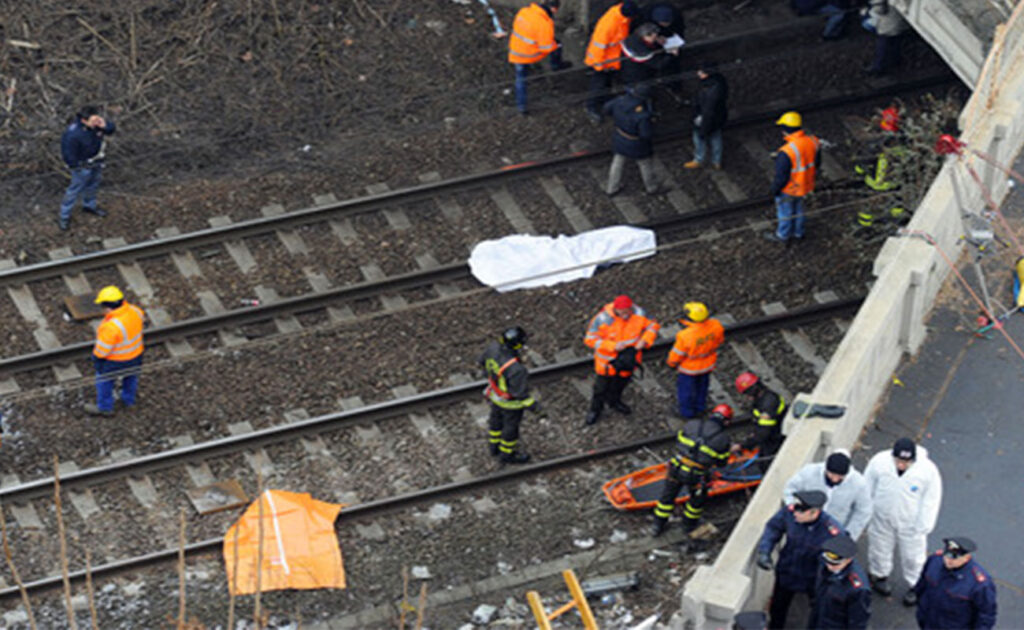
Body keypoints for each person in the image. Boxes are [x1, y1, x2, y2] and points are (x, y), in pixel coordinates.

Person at [864, 437, 943, 606]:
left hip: (911, 524)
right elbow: (868, 486)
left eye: (906, 462)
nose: (901, 465)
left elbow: (931, 499)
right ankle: (879, 574)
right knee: (879, 548)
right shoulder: (879, 462)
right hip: (881, 517)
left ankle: (916, 584)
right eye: (898, 460)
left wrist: (924, 525)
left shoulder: (927, 471)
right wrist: (867, 511)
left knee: (913, 557)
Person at [756, 490, 844, 629]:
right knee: (778, 609)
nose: (795, 513)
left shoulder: (831, 532)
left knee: (819, 612)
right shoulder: (790, 513)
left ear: (814, 513)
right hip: (787, 571)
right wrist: (764, 551)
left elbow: (839, 559)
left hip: (813, 579)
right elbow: (773, 528)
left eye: (800, 512)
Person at [651, 403, 734, 537]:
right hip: (697, 476)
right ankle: (688, 525)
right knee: (695, 503)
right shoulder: (723, 439)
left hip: (676, 468)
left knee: (667, 497)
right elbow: (722, 463)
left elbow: (679, 441)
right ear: (726, 421)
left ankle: (657, 525)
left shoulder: (692, 425)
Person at [582, 294, 660, 425]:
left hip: (628, 361)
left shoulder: (639, 313)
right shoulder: (602, 319)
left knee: (621, 384)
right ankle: (595, 410)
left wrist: (645, 340)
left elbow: (653, 326)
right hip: (607, 363)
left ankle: (614, 402)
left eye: (628, 311)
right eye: (622, 312)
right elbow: (590, 339)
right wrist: (612, 346)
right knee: (600, 389)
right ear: (616, 310)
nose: (626, 315)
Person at [479, 326, 539, 464]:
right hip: (510, 405)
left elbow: (482, 362)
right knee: (510, 430)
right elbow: (520, 395)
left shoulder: (492, 349)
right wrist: (536, 408)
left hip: (495, 396)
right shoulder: (517, 369)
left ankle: (494, 447)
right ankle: (507, 454)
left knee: (495, 423)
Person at [783, 449, 873, 540]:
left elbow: (863, 511)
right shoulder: (809, 472)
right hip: (804, 527)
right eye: (832, 475)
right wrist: (795, 510)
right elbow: (790, 489)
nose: (835, 479)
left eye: (840, 477)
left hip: (833, 533)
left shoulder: (859, 484)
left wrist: (848, 535)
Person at [913, 537, 997, 630]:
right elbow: (922, 584)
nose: (948, 560)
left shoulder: (980, 584)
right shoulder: (935, 560)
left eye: (954, 557)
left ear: (967, 558)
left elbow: (986, 615)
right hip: (928, 620)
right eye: (947, 554)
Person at [87, 285, 145, 416]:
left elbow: (102, 351)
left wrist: (96, 360)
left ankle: (105, 408)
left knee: (104, 380)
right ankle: (129, 400)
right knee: (131, 377)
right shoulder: (136, 311)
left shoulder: (111, 326)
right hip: (136, 355)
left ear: (107, 307)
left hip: (115, 361)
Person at [507, 0, 571, 115]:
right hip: (529, 55)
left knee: (520, 78)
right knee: (557, 45)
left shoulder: (524, 11)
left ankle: (521, 107)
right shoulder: (544, 24)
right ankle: (556, 66)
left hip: (515, 50)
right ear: (554, 9)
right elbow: (546, 47)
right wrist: (555, 45)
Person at [766, 111, 820, 243]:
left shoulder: (787, 152)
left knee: (785, 213)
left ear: (784, 129)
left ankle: (783, 235)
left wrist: (774, 190)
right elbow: (817, 163)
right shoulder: (813, 141)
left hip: (789, 188)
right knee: (799, 210)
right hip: (806, 184)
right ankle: (798, 233)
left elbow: (781, 177)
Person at [59, 105, 115, 231]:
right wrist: (76, 166)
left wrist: (105, 126)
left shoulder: (97, 125)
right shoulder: (73, 134)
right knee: (74, 190)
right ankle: (64, 216)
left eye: (97, 119)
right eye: (93, 121)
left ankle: (89, 205)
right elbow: (68, 154)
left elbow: (111, 130)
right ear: (84, 120)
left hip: (96, 161)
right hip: (82, 165)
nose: (97, 123)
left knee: (93, 185)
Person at [602, 83, 663, 196]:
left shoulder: (619, 100)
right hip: (636, 143)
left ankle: (611, 188)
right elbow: (646, 134)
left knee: (618, 162)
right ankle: (652, 188)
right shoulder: (642, 115)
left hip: (619, 136)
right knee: (645, 164)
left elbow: (606, 109)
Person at [666, 301, 725, 418]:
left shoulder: (685, 336)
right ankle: (700, 408)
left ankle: (686, 413)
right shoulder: (716, 326)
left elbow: (676, 355)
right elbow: (720, 341)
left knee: (686, 392)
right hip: (707, 365)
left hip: (689, 369)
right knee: (702, 387)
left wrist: (671, 364)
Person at [584, 2, 639, 123]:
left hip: (611, 59)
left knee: (606, 83)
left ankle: (604, 99)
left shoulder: (620, 16)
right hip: (602, 61)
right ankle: (591, 107)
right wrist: (599, 66)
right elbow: (599, 46)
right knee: (598, 85)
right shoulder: (609, 25)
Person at [809, 534, 872, 629]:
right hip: (819, 616)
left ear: (849, 560)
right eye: (828, 562)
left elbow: (858, 621)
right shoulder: (824, 564)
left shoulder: (858, 589)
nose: (830, 567)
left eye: (835, 565)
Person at [733, 372, 786, 467]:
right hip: (773, 430)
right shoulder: (764, 397)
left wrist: (743, 445)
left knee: (766, 464)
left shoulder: (767, 405)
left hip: (776, 436)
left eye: (746, 393)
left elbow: (763, 433)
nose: (746, 397)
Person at [684, 61, 729, 170]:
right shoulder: (719, 82)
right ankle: (716, 161)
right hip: (718, 117)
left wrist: (703, 129)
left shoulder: (710, 90)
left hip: (707, 117)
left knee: (699, 137)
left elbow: (708, 111)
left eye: (701, 71)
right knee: (716, 137)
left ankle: (699, 159)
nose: (698, 73)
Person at [637, 2, 686, 96]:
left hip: (670, 39)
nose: (664, 25)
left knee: (674, 63)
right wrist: (657, 37)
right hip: (656, 40)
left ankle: (673, 84)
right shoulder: (646, 16)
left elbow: (680, 29)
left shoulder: (676, 15)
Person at [862, 0, 909, 76]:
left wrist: (866, 12)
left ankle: (878, 68)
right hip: (901, 20)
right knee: (896, 44)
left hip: (887, 24)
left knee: (882, 47)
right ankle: (895, 63)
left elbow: (880, 9)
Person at [620, 22, 665, 90]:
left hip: (626, 72)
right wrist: (671, 54)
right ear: (646, 36)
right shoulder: (642, 51)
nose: (655, 38)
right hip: (636, 78)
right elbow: (658, 64)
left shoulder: (633, 38)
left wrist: (656, 42)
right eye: (654, 37)